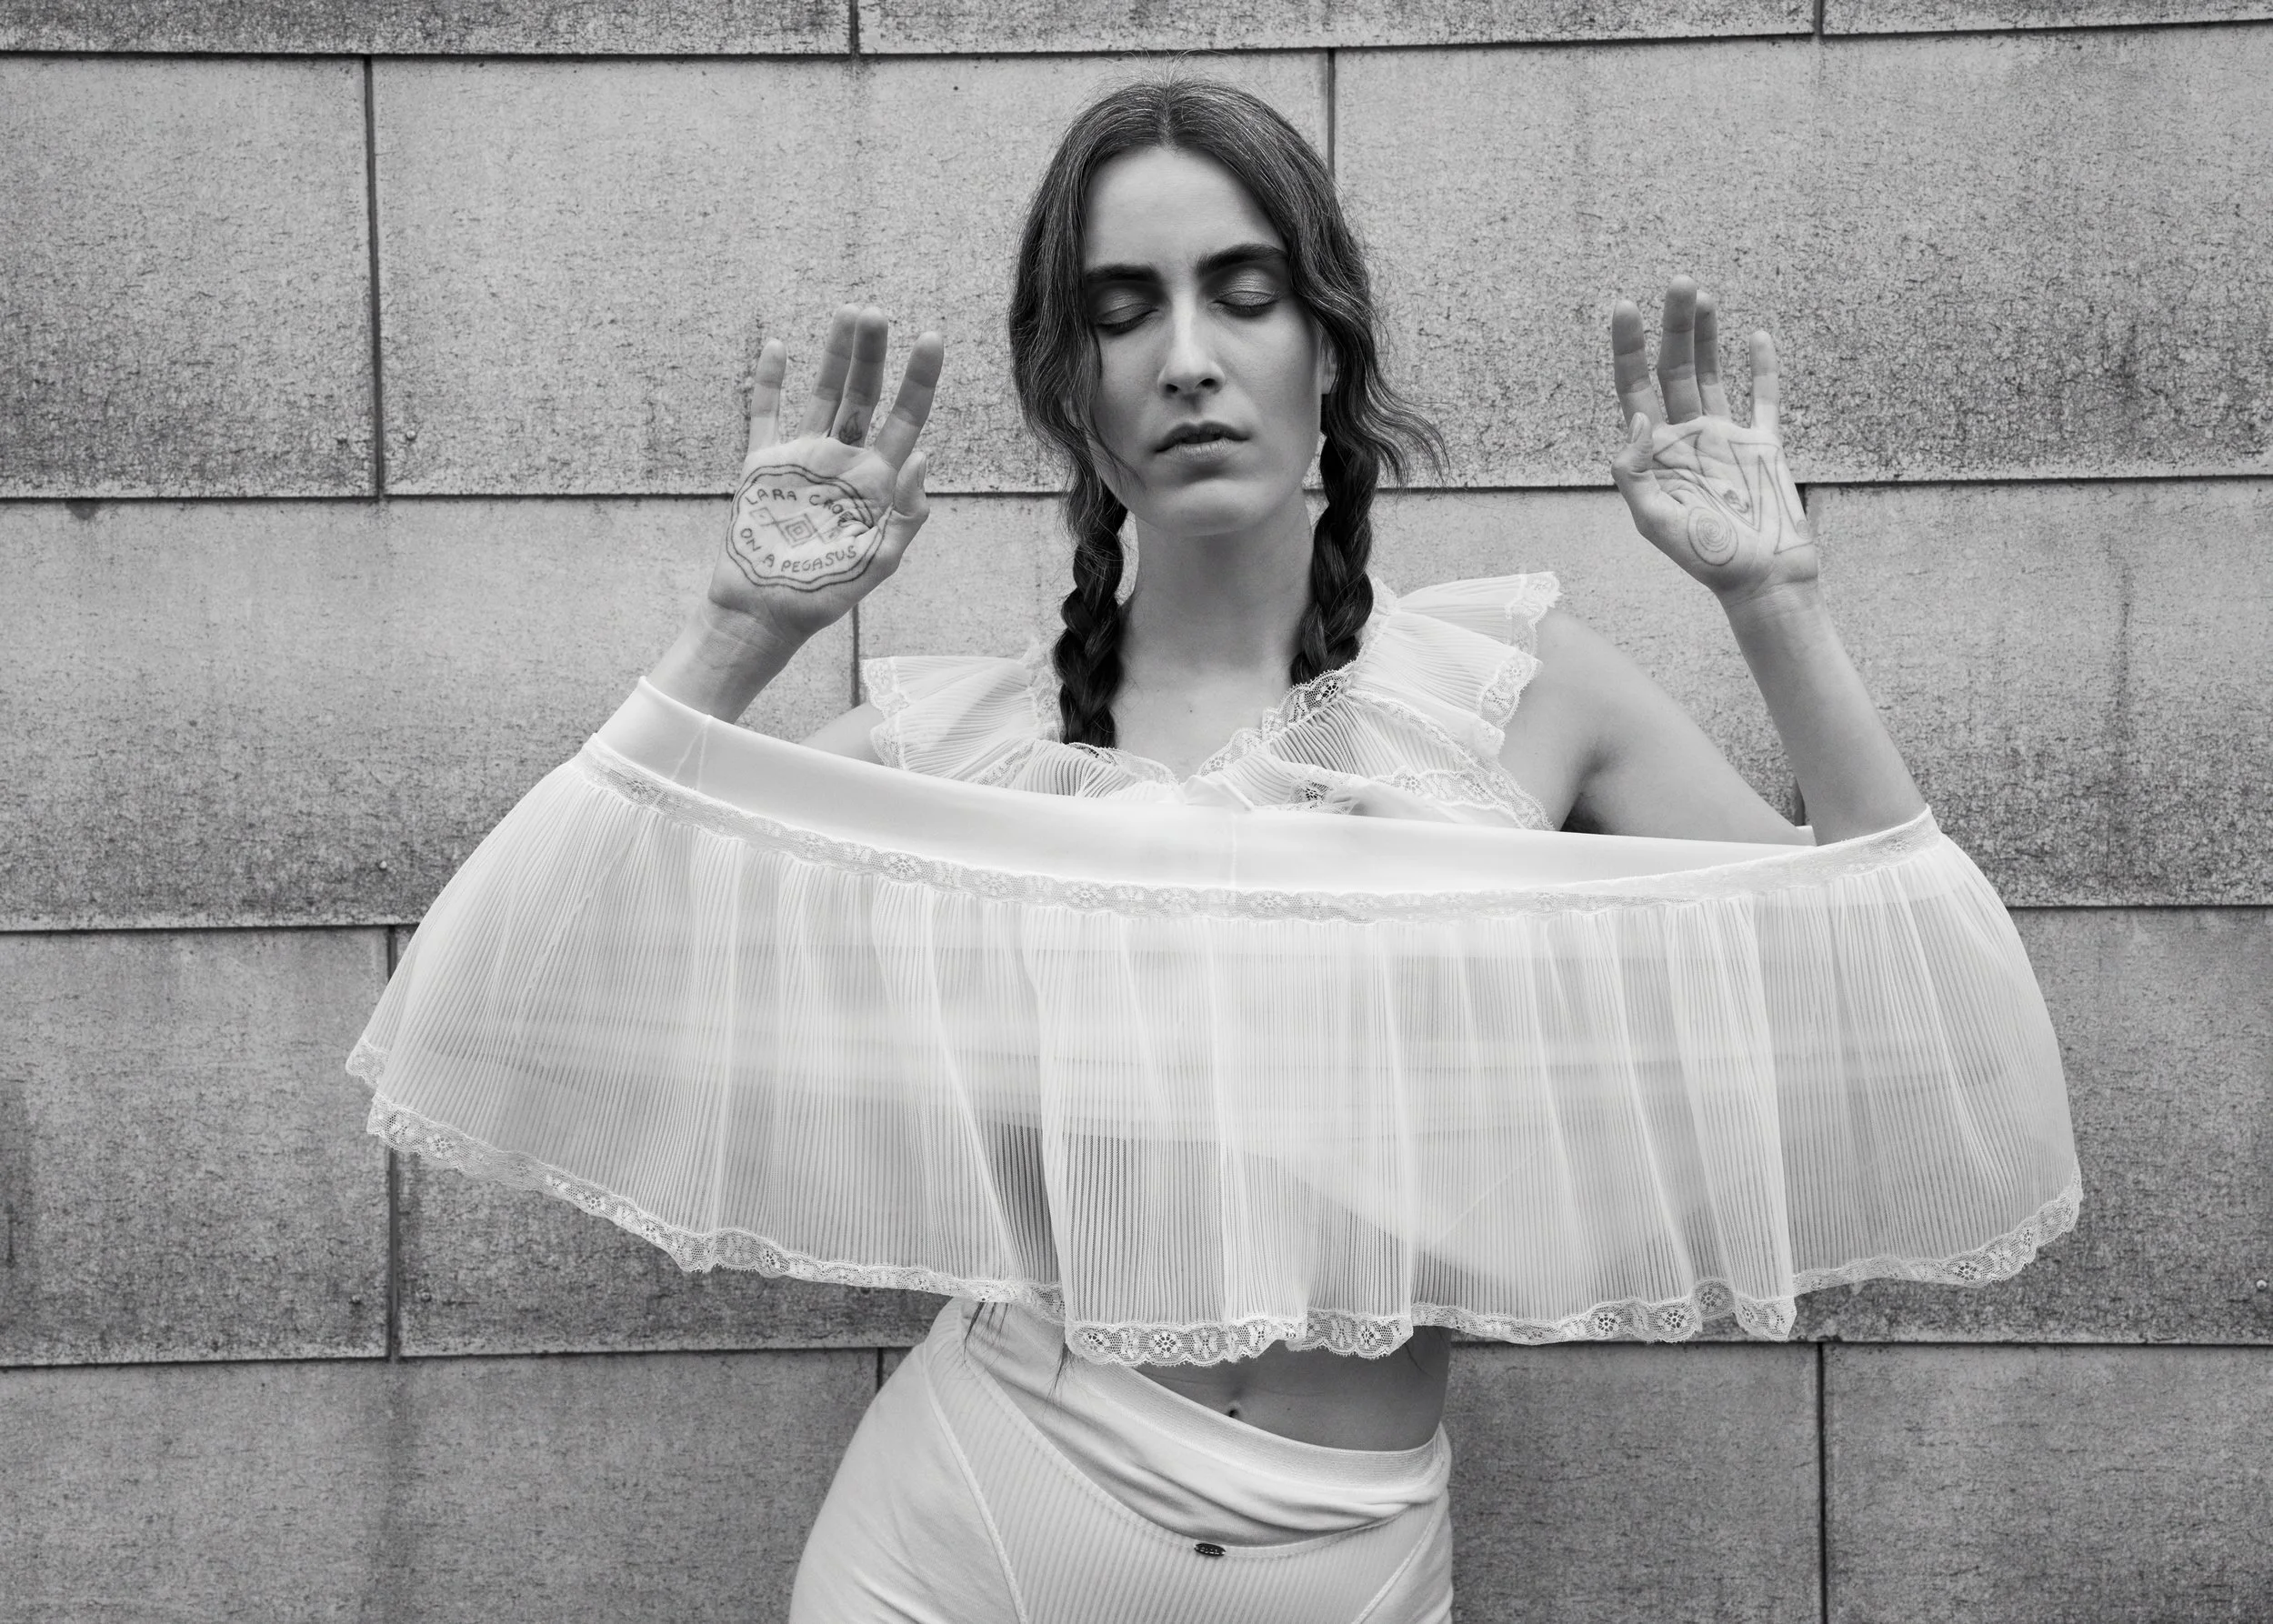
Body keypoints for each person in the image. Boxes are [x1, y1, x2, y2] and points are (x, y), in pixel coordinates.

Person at [355, 78, 2078, 1624]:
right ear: (1074, 390)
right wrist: (743, 626)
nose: (1187, 354)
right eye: (1126, 311)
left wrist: (1776, 601)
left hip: (1354, 1555)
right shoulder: (965, 750)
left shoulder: (1522, 695)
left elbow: (1923, 1003)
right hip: (966, 1534)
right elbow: (513, 974)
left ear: (1327, 346)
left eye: (1243, 293)